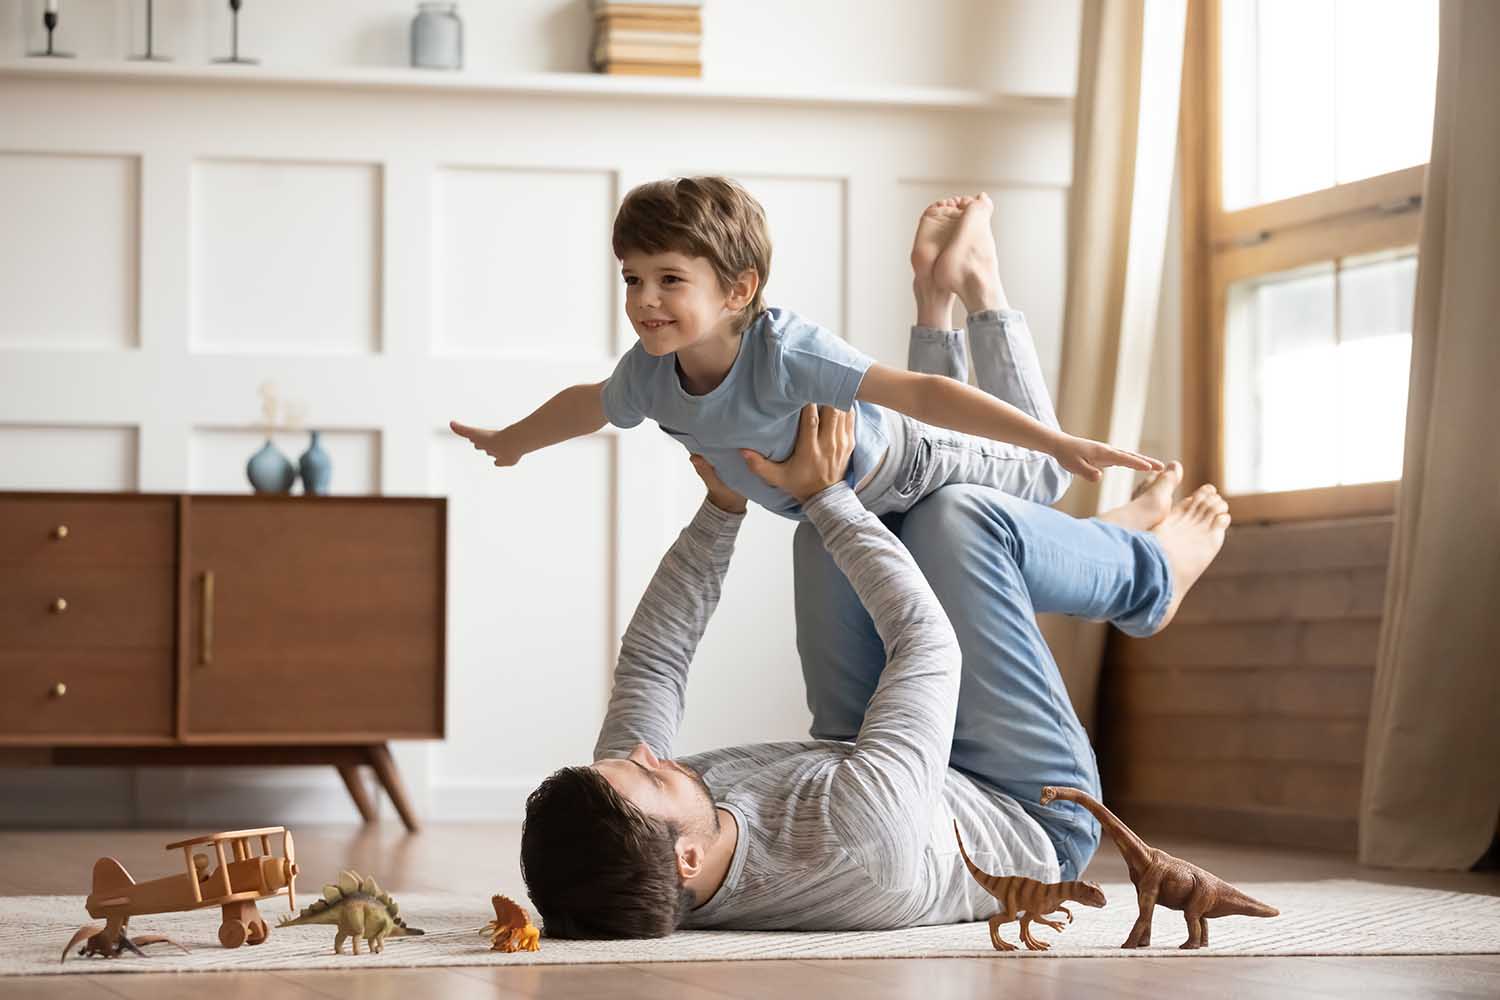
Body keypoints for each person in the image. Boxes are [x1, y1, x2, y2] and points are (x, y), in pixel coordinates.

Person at [517, 397, 1230, 938]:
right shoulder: (859, 843)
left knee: (827, 541)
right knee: (955, 521)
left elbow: (654, 662)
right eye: (646, 773)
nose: (647, 755)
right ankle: (1148, 575)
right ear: (688, 865)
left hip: (870, 759)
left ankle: (1096, 538)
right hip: (1028, 807)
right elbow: (928, 645)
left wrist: (721, 506)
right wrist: (826, 495)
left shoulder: (636, 831)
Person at [450, 178, 1162, 523]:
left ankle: (980, 286)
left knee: (1046, 481)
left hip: (908, 465)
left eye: (670, 280)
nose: (644, 299)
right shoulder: (650, 374)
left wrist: (1057, 440)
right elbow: (591, 405)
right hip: (856, 500)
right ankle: (938, 290)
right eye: (633, 278)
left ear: (738, 289)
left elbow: (918, 395)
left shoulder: (785, 350)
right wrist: (514, 441)